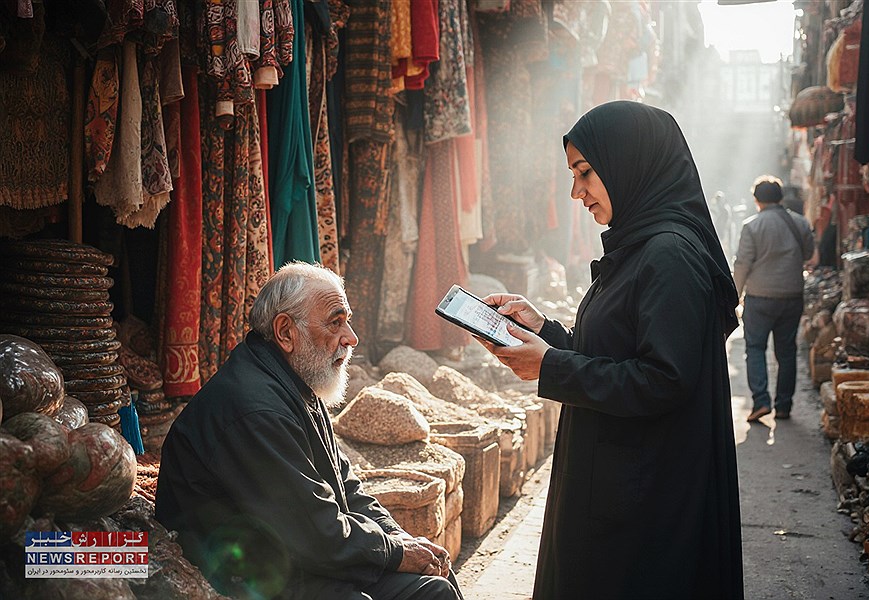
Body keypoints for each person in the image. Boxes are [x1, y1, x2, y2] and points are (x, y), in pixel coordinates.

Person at [475, 101, 744, 599]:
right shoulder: (640, 248)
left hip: (643, 507)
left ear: (629, 162)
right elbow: (617, 352)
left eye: (585, 173)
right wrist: (545, 333)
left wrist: (550, 366)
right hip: (618, 485)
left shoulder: (669, 255)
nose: (576, 192)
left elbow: (663, 379)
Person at [155, 262, 461, 600]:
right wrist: (395, 553)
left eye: (347, 321)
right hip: (250, 576)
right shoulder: (256, 408)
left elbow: (345, 488)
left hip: (297, 557)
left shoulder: (294, 383)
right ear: (286, 332)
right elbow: (315, 532)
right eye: (335, 323)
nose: (352, 338)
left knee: (437, 583)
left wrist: (397, 537)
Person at [733, 175, 815, 422]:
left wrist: (735, 295)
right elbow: (809, 254)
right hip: (792, 296)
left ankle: (761, 401)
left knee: (755, 348)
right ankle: (784, 406)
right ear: (780, 198)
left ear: (757, 200)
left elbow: (742, 264)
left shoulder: (752, 225)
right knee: (787, 351)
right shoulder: (800, 223)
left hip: (760, 298)